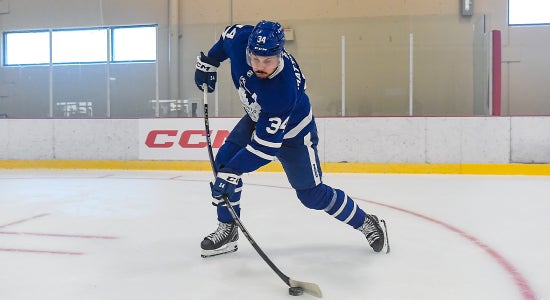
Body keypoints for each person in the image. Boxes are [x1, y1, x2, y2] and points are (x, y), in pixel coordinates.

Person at [194, 20, 388, 258]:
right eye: (255, 59)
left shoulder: (283, 89)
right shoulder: (241, 39)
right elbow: (225, 40)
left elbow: (266, 148)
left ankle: (367, 222)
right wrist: (209, 63)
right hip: (258, 117)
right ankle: (228, 230)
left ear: (280, 54)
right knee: (223, 163)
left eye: (268, 61)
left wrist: (234, 171)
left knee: (311, 195)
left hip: (295, 133)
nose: (260, 66)